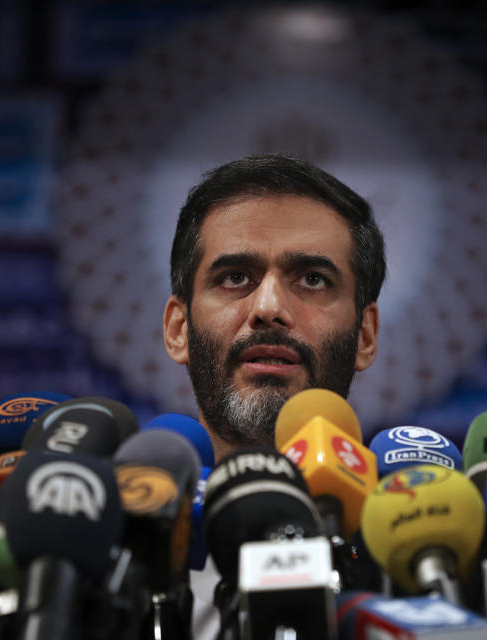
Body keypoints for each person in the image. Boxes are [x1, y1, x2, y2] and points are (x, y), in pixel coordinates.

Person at [161, 153, 386, 638]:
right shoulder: (112, 565)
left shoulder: (412, 564)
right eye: (235, 277)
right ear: (179, 329)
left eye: (311, 279)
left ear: (365, 336)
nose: (268, 308)